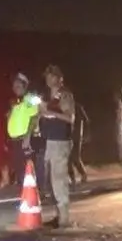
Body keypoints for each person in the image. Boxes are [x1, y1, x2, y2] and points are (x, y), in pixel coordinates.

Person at [39, 65, 76, 227]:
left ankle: (64, 219)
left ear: (60, 78)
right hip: (50, 141)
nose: (48, 79)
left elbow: (70, 118)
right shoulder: (48, 96)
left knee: (59, 180)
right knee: (50, 181)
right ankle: (58, 214)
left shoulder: (65, 95)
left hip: (60, 141)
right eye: (47, 76)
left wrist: (50, 112)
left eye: (51, 76)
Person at [5, 73, 40, 189]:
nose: (15, 88)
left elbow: (34, 117)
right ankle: (25, 194)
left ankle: (35, 194)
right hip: (16, 140)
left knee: (28, 169)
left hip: (26, 139)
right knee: (20, 170)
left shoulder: (30, 98)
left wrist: (28, 137)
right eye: (14, 86)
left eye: (18, 85)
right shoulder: (16, 101)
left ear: (25, 86)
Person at [69, 100, 90, 184]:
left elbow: (86, 120)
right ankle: (72, 177)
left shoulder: (77, 107)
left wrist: (85, 134)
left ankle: (82, 174)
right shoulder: (63, 106)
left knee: (75, 157)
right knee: (68, 158)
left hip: (76, 136)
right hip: (67, 136)